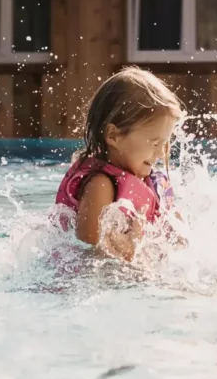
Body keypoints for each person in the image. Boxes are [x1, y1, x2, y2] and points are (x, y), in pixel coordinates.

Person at [54, 67, 183, 261]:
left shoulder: (149, 182)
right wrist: (132, 257)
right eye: (155, 143)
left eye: (166, 143)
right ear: (114, 135)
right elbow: (89, 258)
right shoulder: (101, 186)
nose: (161, 152)